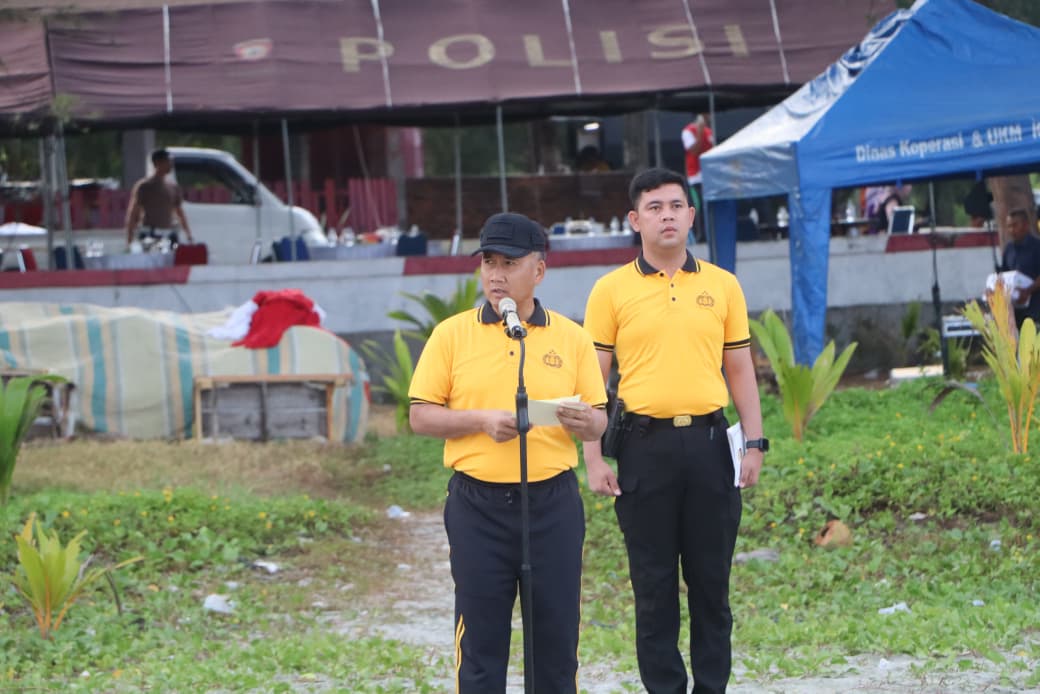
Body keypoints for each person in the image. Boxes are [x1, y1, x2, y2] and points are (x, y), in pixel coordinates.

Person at [581, 167, 766, 694]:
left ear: (690, 215)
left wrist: (753, 442)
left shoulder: (722, 285)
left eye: (676, 206)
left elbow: (740, 370)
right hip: (644, 449)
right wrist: (593, 459)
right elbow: (594, 380)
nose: (667, 215)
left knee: (712, 586)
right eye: (655, 207)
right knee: (654, 588)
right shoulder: (610, 290)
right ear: (635, 220)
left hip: (711, 447)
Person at [408, 212, 608, 693]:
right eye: (489, 263)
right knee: (480, 644)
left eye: (509, 263)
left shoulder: (571, 337)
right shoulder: (451, 335)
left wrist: (587, 423)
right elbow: (420, 415)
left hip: (552, 506)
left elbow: (600, 419)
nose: (496, 275)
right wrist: (479, 420)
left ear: (538, 271)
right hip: (478, 507)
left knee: (556, 646)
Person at [125, 148, 193, 248]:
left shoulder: (173, 187)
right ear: (157, 163)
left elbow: (179, 213)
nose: (170, 164)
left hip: (168, 235)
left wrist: (188, 235)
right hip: (149, 234)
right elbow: (133, 213)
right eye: (167, 161)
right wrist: (129, 239)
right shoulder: (144, 186)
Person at [999, 208, 1040, 328]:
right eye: (1009, 226)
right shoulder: (1009, 249)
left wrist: (1028, 291)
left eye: (1015, 225)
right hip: (1016, 312)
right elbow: (1004, 274)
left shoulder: (1037, 247)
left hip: (1036, 309)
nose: (1011, 230)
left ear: (1026, 225)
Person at [681, 114, 715, 242]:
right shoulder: (688, 131)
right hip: (695, 178)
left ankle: (709, 233)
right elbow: (694, 150)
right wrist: (700, 133)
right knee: (698, 206)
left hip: (708, 176)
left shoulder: (709, 132)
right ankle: (700, 236)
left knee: (708, 207)